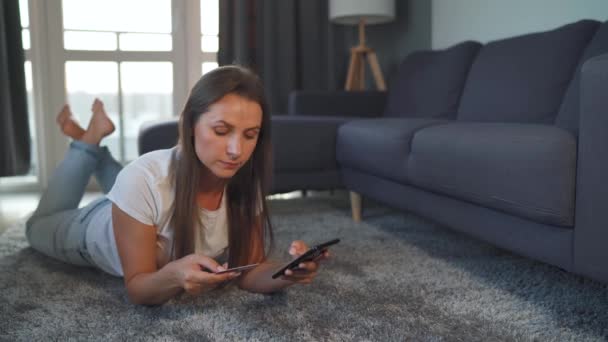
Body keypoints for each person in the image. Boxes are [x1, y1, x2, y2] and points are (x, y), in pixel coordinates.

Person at [26, 65, 329, 305]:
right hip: (90, 230)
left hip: (138, 203)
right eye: (222, 131)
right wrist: (172, 276)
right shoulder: (144, 178)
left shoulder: (245, 185)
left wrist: (287, 272)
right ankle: (88, 143)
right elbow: (139, 288)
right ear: (190, 124)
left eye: (250, 135)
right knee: (36, 226)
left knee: (141, 184)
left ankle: (89, 140)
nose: (237, 150)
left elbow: (248, 273)